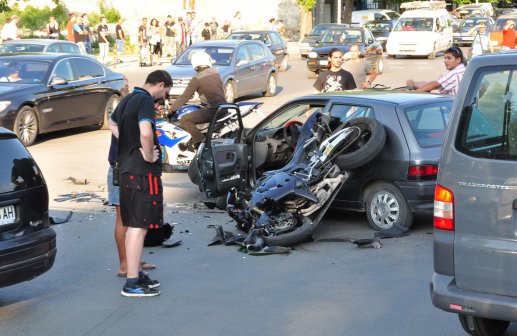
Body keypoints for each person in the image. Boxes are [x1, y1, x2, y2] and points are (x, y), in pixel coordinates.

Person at [108, 70, 172, 297]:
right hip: (141, 174)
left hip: (125, 170)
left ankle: (135, 273)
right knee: (138, 227)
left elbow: (112, 122)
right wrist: (147, 154)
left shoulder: (127, 99)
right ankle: (132, 283)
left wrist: (127, 141)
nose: (163, 99)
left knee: (135, 226)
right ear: (161, 84)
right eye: (165, 94)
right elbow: (146, 134)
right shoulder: (144, 101)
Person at [107, 119, 158, 278]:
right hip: (125, 170)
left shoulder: (130, 106)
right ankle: (125, 265)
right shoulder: (137, 105)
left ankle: (132, 261)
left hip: (126, 169)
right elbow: (143, 135)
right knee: (124, 219)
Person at [167, 51, 226, 151]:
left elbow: (184, 97)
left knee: (185, 119)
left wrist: (171, 110)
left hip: (213, 110)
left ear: (196, 64)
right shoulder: (215, 73)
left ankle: (201, 144)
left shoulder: (197, 78)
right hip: (224, 108)